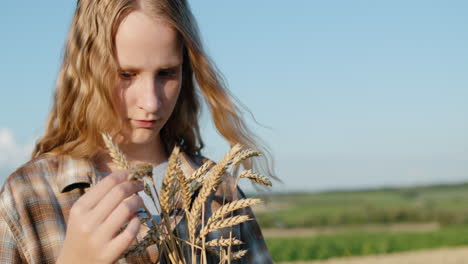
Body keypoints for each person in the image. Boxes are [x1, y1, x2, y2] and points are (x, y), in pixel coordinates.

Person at [0, 0, 274, 263]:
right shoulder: (28, 196)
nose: (151, 102)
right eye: (126, 75)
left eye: (166, 73)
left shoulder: (218, 190)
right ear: (87, 71)